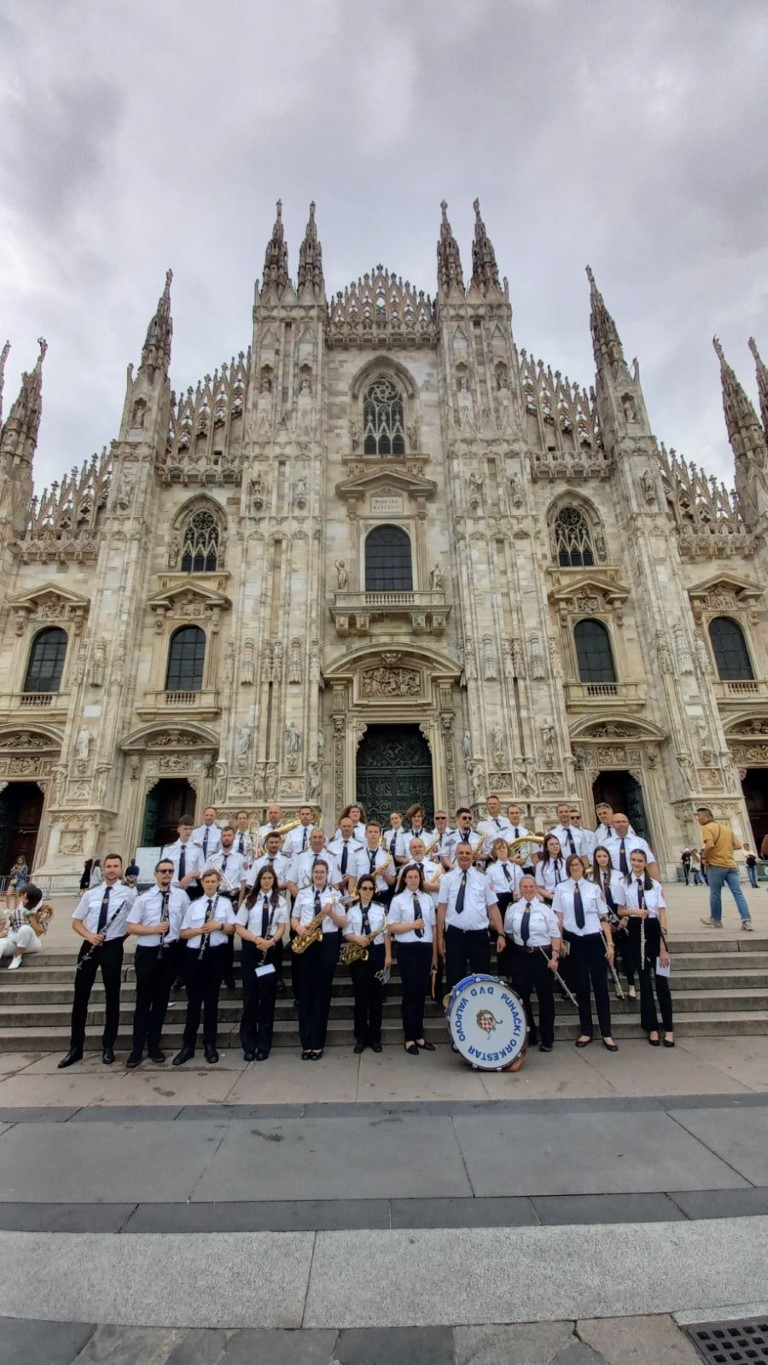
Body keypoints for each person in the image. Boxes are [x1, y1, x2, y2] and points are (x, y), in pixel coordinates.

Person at [58, 854, 137, 1068]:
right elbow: (76, 922)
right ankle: (76, 1047)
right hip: (90, 945)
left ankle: (108, 1046)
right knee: (80, 996)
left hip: (112, 946)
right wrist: (89, 936)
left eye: (115, 866)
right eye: (108, 866)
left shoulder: (129, 894)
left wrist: (119, 938)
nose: (111, 870)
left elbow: (133, 922)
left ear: (121, 869)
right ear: (103, 869)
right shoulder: (91, 894)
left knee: (113, 995)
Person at [124, 859, 188, 1067]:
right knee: (143, 1000)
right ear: (156, 874)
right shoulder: (144, 898)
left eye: (170, 871)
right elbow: (131, 926)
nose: (167, 874)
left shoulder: (181, 896)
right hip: (148, 952)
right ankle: (137, 1048)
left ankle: (154, 1045)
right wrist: (153, 929)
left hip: (170, 951)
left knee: (161, 1000)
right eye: (163, 871)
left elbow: (186, 921)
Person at [552, 854, 617, 1051]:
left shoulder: (593, 888)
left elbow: (603, 917)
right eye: (571, 865)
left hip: (594, 938)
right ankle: (586, 1031)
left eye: (578, 865)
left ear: (583, 867)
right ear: (568, 868)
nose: (575, 868)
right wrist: (559, 942)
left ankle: (607, 1033)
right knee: (581, 986)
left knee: (600, 986)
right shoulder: (561, 888)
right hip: (574, 939)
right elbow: (559, 918)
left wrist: (610, 943)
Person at [173, 868, 237, 1066]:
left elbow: (233, 929)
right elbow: (183, 933)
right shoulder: (194, 905)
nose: (210, 885)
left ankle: (210, 1044)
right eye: (207, 881)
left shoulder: (225, 904)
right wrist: (199, 930)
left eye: (213, 881)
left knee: (211, 1001)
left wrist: (218, 926)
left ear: (218, 883)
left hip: (215, 954)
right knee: (193, 1002)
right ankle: (188, 1046)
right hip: (195, 955)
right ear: (202, 884)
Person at [616, 849, 673, 1046]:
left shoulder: (655, 885)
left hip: (654, 931)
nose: (636, 863)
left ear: (645, 863)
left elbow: (662, 914)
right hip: (636, 931)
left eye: (640, 860)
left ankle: (669, 1028)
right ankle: (652, 1027)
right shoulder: (624, 884)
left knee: (662, 982)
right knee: (645, 982)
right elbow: (620, 910)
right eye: (633, 860)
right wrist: (634, 911)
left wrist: (664, 947)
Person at [291, 861, 348, 1059]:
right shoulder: (303, 893)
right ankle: (306, 1044)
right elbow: (294, 918)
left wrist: (330, 912)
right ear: (311, 873)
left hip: (328, 942)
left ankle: (318, 1043)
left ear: (327, 874)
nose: (319, 875)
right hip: (306, 939)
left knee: (322, 993)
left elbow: (343, 922)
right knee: (305, 993)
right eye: (316, 872)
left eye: (322, 872)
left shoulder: (335, 894)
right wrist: (298, 928)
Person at [437, 842, 505, 993]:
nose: (464, 856)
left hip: (479, 937)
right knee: (454, 980)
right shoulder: (447, 879)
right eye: (461, 853)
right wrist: (440, 938)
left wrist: (501, 934)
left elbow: (492, 907)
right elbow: (442, 909)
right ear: (455, 855)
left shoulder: (483, 878)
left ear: (472, 855)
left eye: (467, 853)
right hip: (455, 936)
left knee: (482, 979)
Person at [504, 873, 561, 1052]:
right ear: (520, 889)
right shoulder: (512, 909)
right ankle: (530, 1034)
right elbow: (509, 932)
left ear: (536, 889)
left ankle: (547, 1038)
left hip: (542, 955)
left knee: (546, 998)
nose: (528, 890)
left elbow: (555, 935)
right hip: (521, 956)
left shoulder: (545, 909)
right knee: (522, 997)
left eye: (531, 887)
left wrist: (554, 957)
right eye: (525, 887)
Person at [236, 864, 288, 1061]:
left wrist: (271, 941)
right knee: (250, 996)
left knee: (267, 997)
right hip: (253, 948)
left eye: (270, 878)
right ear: (259, 880)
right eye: (264, 878)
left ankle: (264, 1044)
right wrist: (255, 939)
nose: (267, 881)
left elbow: (282, 927)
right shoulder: (250, 900)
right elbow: (239, 927)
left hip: (271, 949)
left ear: (274, 881)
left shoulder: (280, 901)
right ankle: (248, 1044)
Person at [387, 863, 437, 1055]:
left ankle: (419, 1035)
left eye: (416, 877)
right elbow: (392, 927)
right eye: (410, 877)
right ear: (404, 880)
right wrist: (412, 925)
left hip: (424, 948)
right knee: (409, 993)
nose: (413, 880)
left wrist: (434, 954)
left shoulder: (427, 899)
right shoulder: (398, 900)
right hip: (407, 949)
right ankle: (409, 1037)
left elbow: (432, 927)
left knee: (421, 993)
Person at [343, 873, 390, 1054]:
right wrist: (357, 938)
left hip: (377, 953)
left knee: (376, 998)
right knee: (360, 998)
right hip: (358, 954)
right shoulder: (352, 911)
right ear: (359, 890)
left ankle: (375, 1037)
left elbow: (386, 934)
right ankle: (361, 1037)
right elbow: (346, 933)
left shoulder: (381, 909)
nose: (367, 891)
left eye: (370, 889)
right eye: (364, 888)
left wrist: (388, 957)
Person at [697, 807, 752, 930]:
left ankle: (716, 919)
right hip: (731, 865)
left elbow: (710, 845)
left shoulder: (707, 828)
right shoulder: (726, 828)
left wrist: (704, 857)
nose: (697, 819)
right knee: (738, 893)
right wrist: (724, 848)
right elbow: (738, 845)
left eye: (699, 816)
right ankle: (746, 920)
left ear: (707, 817)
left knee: (715, 893)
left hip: (716, 865)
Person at [593, 845, 636, 1001]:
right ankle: (617, 984)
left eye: (605, 856)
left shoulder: (619, 875)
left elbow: (628, 896)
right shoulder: (592, 878)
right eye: (599, 856)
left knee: (626, 953)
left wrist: (625, 918)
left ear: (609, 858)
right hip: (604, 919)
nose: (602, 859)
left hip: (620, 916)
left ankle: (631, 985)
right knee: (611, 953)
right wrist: (602, 921)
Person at [0, 883, 50, 969]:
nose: (23, 900)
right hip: (15, 940)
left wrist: (31, 917)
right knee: (2, 942)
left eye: (25, 898)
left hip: (32, 943)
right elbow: (10, 927)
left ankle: (17, 957)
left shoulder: (42, 912)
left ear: (33, 900)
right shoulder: (19, 909)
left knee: (25, 929)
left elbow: (39, 932)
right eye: (22, 897)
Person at [286, 828, 341, 898]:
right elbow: (290, 882)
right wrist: (301, 899)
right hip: (303, 899)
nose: (317, 840)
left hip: (325, 900)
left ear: (324, 840)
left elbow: (336, 884)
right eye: (314, 837)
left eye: (320, 837)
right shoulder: (300, 857)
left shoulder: (332, 858)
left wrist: (329, 900)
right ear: (310, 840)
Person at [605, 815, 660, 881]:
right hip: (614, 882)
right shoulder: (605, 844)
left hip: (637, 881)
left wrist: (656, 883)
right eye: (617, 822)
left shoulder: (640, 842)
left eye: (624, 822)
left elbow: (650, 863)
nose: (621, 824)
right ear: (612, 825)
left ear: (628, 824)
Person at [162, 816, 205, 899]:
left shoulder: (198, 849)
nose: (188, 831)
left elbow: (202, 872)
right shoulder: (168, 849)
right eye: (185, 829)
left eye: (190, 829)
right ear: (179, 830)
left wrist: (191, 875)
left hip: (190, 887)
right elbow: (162, 869)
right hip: (172, 886)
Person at [354, 821, 396, 901]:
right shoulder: (357, 854)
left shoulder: (387, 855)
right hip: (361, 893)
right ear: (365, 834)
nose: (373, 834)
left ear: (380, 835)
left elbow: (392, 881)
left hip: (381, 894)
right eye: (370, 832)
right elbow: (352, 877)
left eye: (376, 832)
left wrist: (385, 875)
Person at [327, 816, 363, 895]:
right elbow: (328, 866)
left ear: (353, 827)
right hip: (335, 885)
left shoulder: (360, 846)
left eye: (349, 826)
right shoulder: (331, 846)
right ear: (340, 827)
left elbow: (360, 867)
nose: (346, 828)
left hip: (352, 885)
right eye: (344, 826)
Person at [535, 834, 566, 903]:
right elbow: (539, 887)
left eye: (557, 844)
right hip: (550, 898)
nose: (555, 846)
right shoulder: (540, 865)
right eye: (552, 844)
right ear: (546, 847)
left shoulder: (566, 863)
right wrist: (551, 896)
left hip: (566, 896)